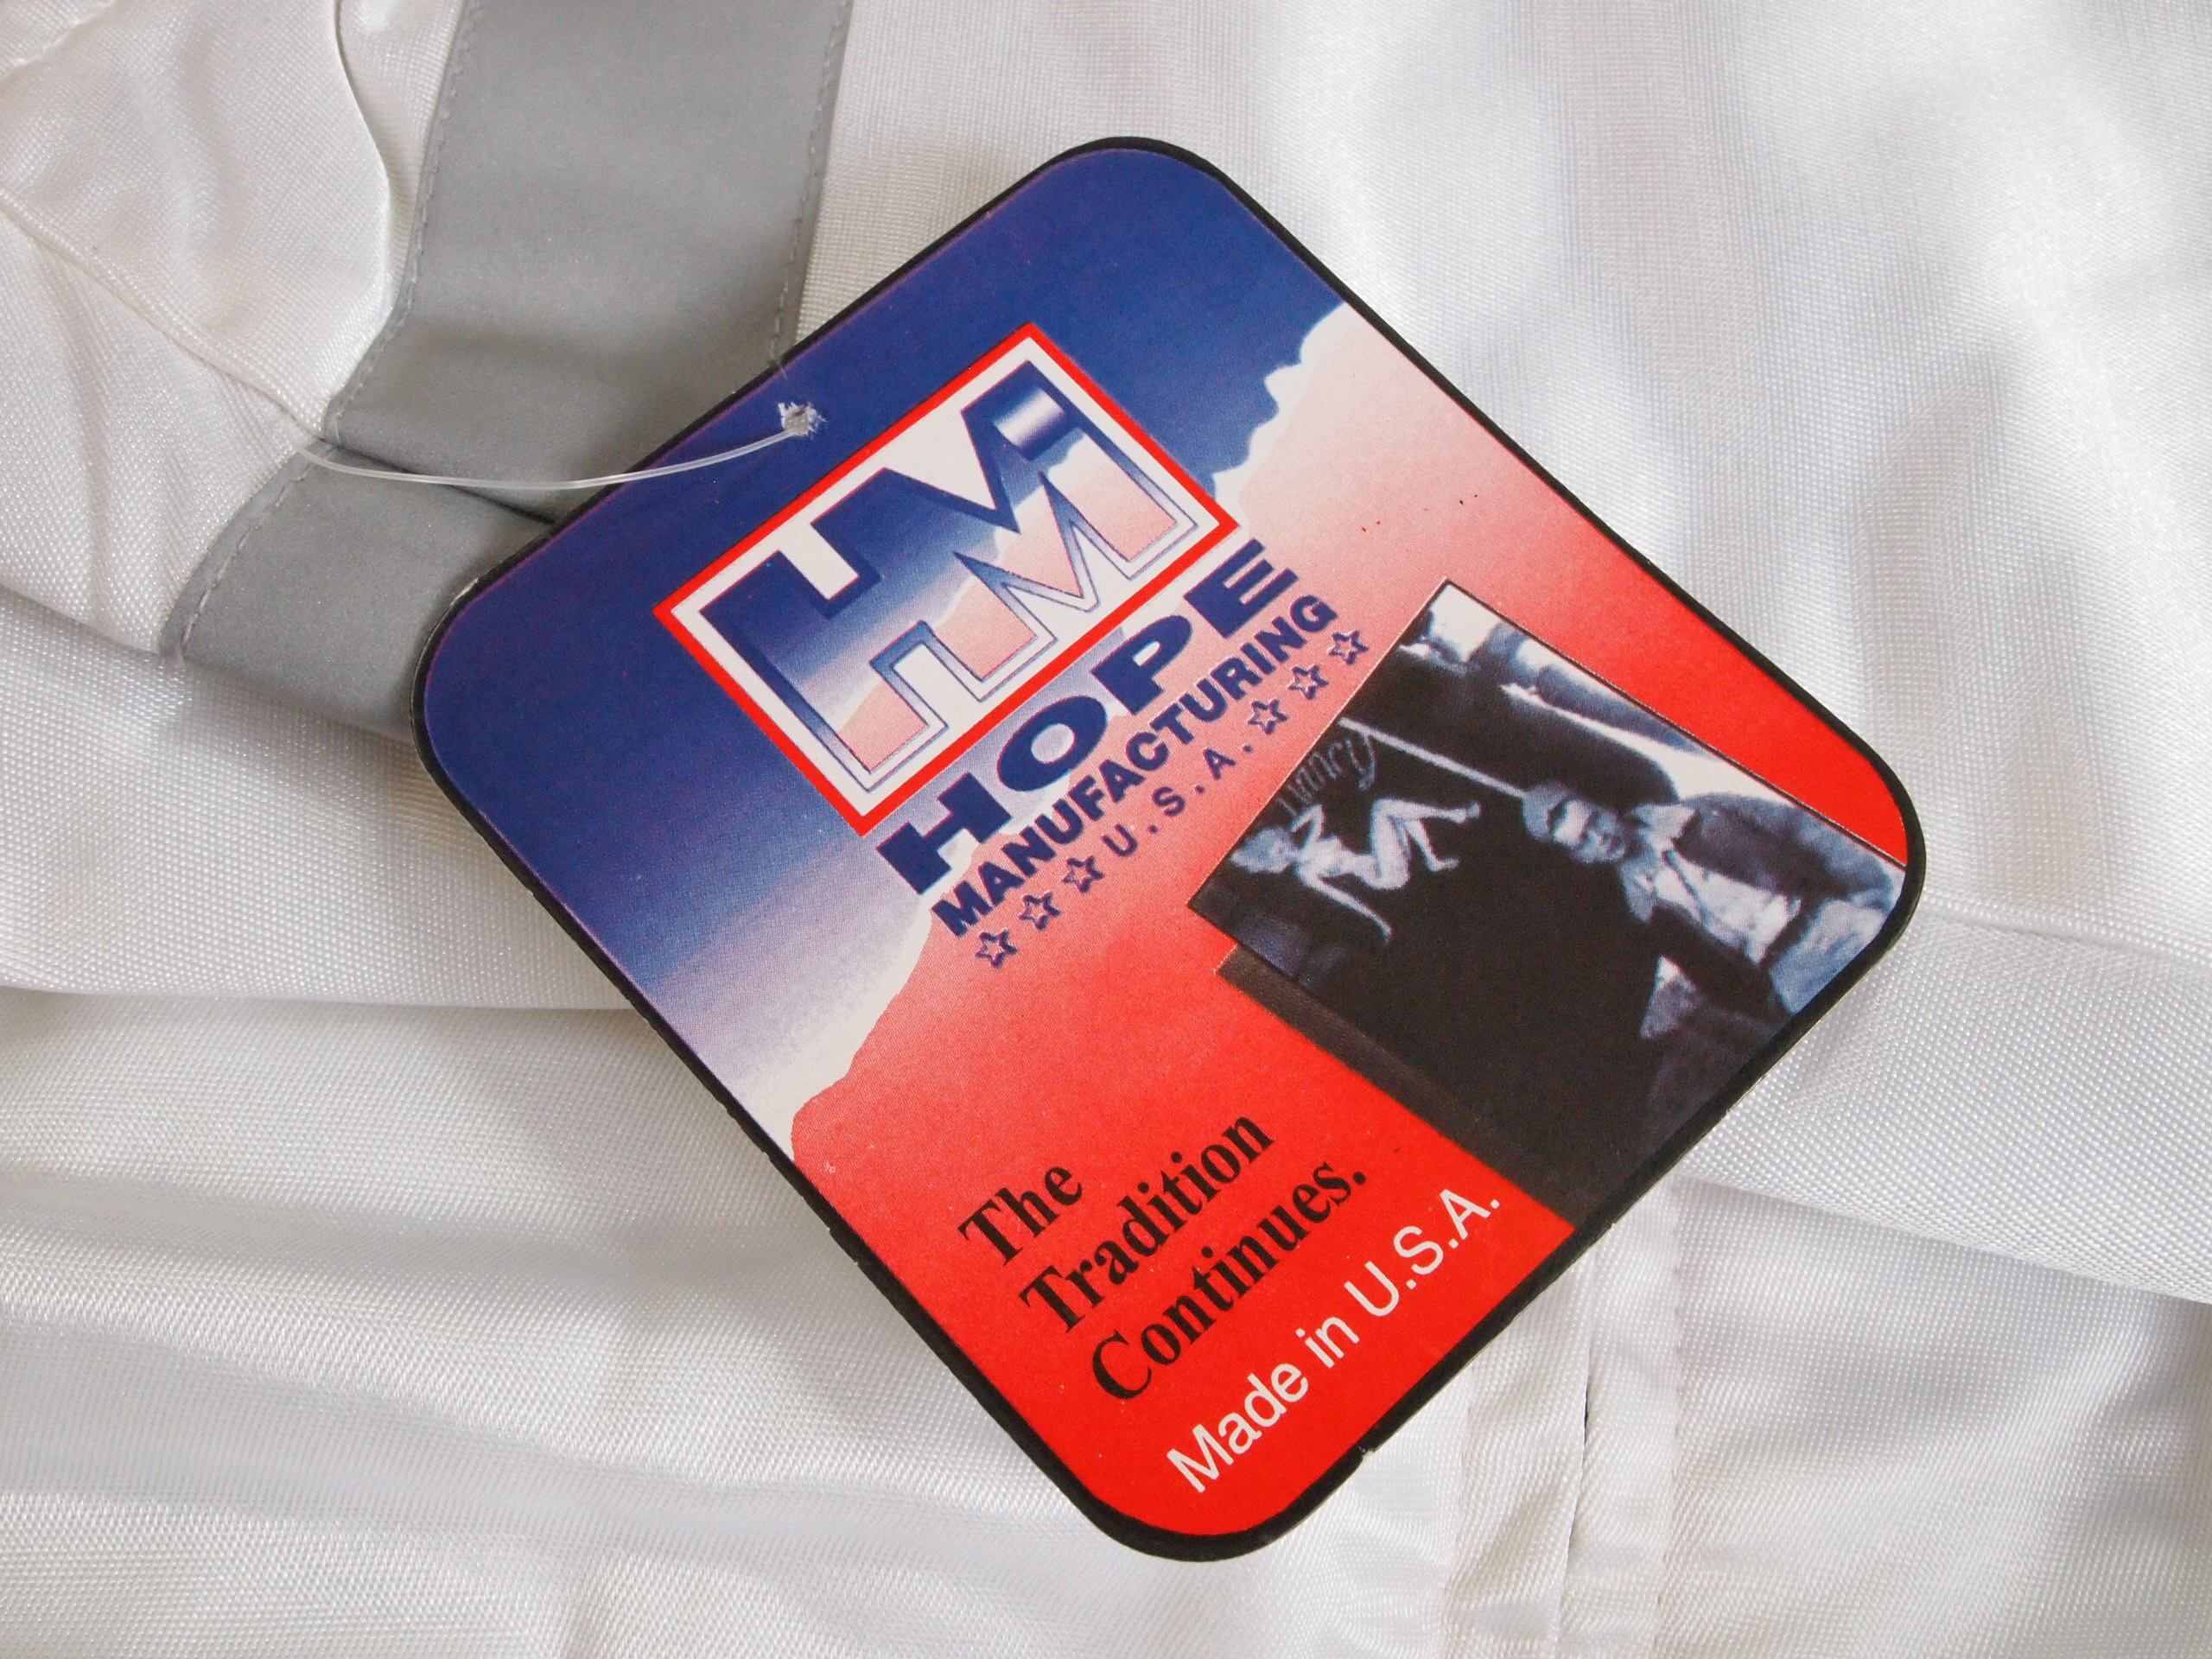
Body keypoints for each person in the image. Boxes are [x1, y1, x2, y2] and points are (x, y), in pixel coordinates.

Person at [1519, 783, 1899, 1018]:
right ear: (1582, 859)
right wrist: (1778, 1005)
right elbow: (1718, 982)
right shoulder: (1647, 914)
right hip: (1794, 980)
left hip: (1832, 921)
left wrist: (1865, 888)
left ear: (1605, 806)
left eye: (1594, 821)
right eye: (1583, 841)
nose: (1599, 838)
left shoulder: (1702, 812)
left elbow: (1800, 829)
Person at [1230, 797, 1479, 944]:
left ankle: (1433, 859)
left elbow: (1317, 810)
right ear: (1276, 864)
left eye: (1279, 843)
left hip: (1384, 859)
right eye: (1278, 852)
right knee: (1381, 808)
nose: (1284, 848)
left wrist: (1293, 828)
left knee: (1396, 812)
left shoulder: (1308, 843)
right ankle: (1454, 816)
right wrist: (1379, 921)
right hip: (1384, 876)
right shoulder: (1305, 874)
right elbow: (1345, 899)